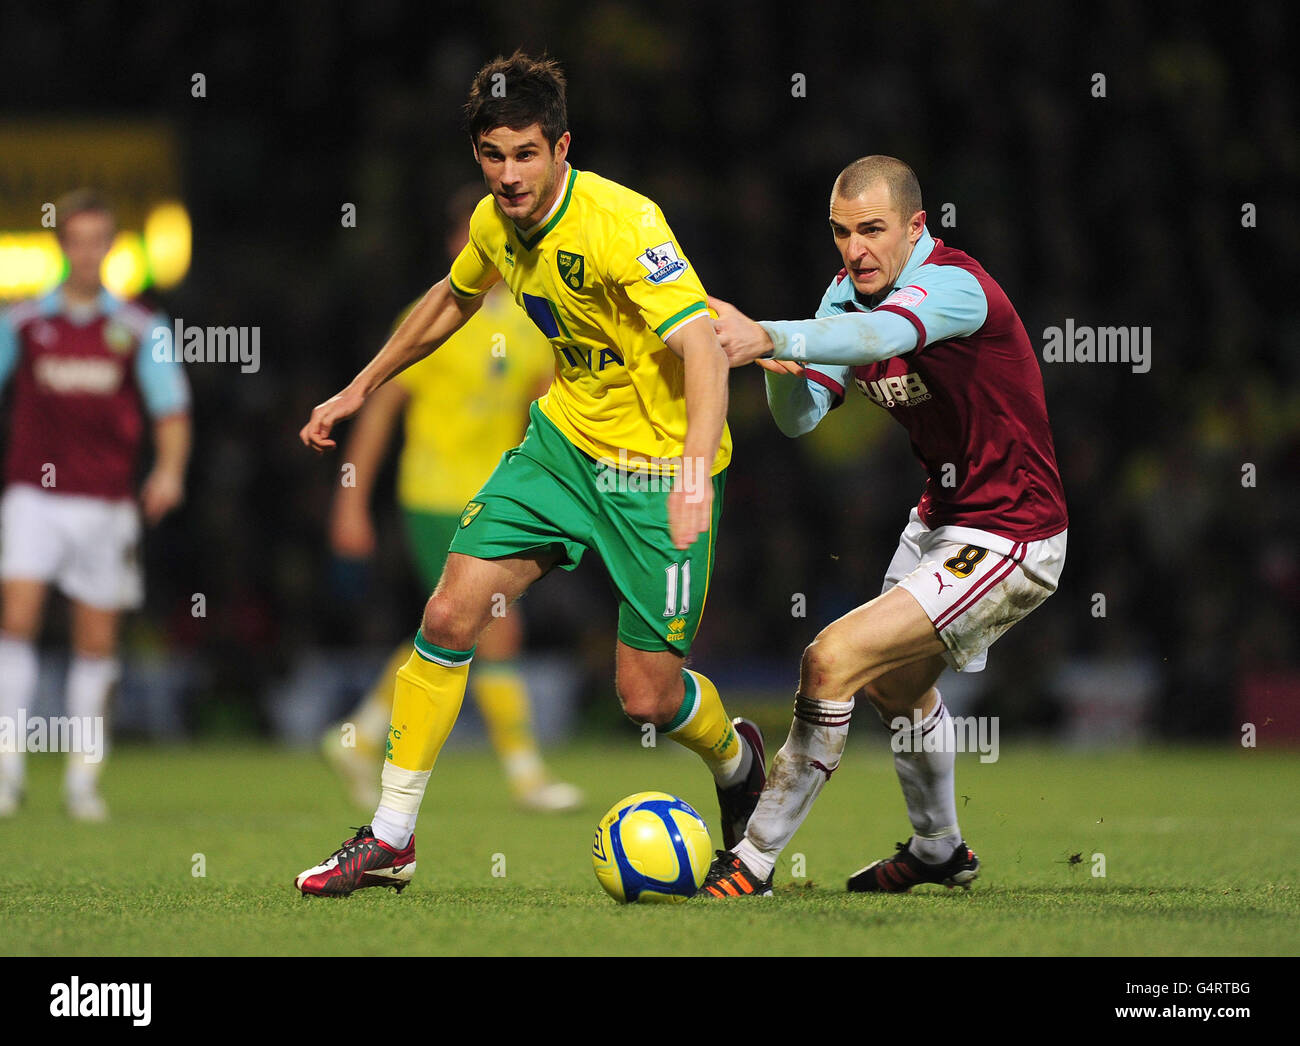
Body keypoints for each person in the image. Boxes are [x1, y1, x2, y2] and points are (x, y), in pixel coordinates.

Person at [295, 51, 765, 897]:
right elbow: (450, 296)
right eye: (492, 155)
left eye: (524, 154)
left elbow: (701, 345)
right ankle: (391, 837)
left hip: (657, 470)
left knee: (647, 701)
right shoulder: (492, 223)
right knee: (450, 607)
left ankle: (736, 761)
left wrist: (694, 471)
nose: (508, 175)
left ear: (561, 148)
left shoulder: (625, 223)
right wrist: (358, 388)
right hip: (562, 447)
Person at [700, 155, 1067, 897]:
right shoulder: (844, 295)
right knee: (895, 690)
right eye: (841, 232)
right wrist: (779, 370)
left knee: (829, 661)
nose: (854, 249)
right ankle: (940, 849)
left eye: (872, 230)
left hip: (1013, 531)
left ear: (915, 226)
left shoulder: (956, 287)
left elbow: (878, 343)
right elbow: (804, 419)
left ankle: (752, 861)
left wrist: (771, 335)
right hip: (940, 520)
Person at [323, 185, 581, 813]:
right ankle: (526, 775)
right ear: (455, 243)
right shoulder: (431, 315)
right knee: (494, 624)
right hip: (435, 494)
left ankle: (355, 735)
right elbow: (380, 413)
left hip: (496, 498)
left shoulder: (528, 321)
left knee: (449, 623)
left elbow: (545, 411)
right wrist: (350, 501)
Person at [0, 189, 191, 820]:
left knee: (96, 640)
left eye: (96, 241)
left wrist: (167, 471)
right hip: (33, 493)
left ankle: (83, 780)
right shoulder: (23, 321)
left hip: (107, 502)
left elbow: (171, 409)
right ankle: (7, 771)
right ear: (63, 246)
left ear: (110, 246)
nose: (86, 253)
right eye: (75, 241)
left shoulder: (139, 326)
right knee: (17, 618)